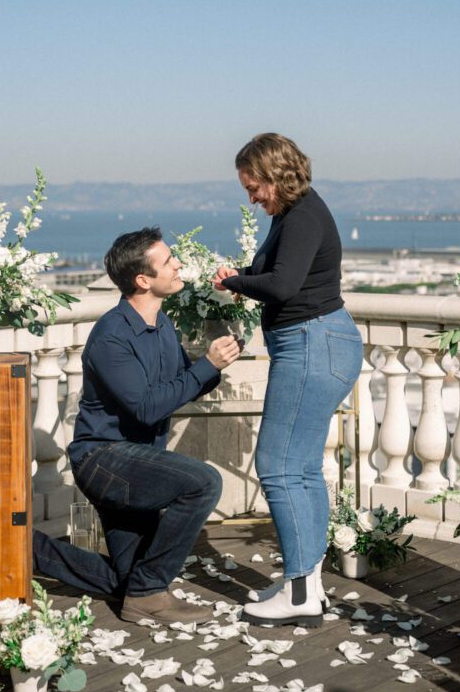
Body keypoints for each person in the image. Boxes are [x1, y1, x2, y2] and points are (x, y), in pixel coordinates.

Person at [33, 227, 241, 625]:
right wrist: (206, 366)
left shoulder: (161, 326)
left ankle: (25, 549)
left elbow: (182, 384)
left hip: (138, 461)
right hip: (104, 461)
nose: (177, 263)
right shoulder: (111, 337)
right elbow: (146, 409)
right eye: (168, 261)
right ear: (143, 280)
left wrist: (218, 362)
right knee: (204, 482)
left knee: (126, 579)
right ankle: (149, 593)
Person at [214, 133, 363, 628]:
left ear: (276, 176)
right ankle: (309, 586)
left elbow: (282, 285)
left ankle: (299, 591)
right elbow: (275, 274)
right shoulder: (295, 214)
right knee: (300, 470)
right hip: (318, 343)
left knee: (277, 466)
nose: (251, 197)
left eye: (254, 186)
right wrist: (240, 273)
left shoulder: (301, 217)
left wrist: (232, 281)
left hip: (311, 345)